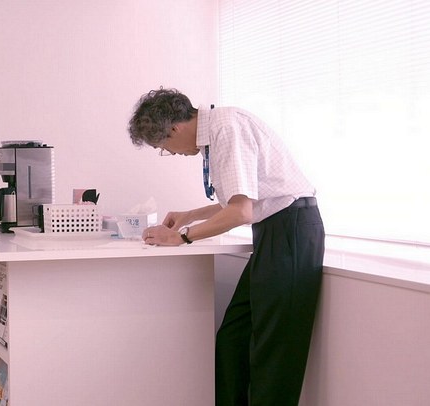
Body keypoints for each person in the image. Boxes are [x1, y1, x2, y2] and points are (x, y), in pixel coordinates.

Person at [127, 88, 325, 406]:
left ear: (174, 128)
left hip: (291, 230)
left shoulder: (226, 127)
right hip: (275, 232)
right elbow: (241, 201)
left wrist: (182, 236)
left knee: (275, 354)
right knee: (233, 339)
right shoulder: (218, 130)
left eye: (163, 147)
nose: (171, 153)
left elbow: (241, 213)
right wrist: (190, 215)